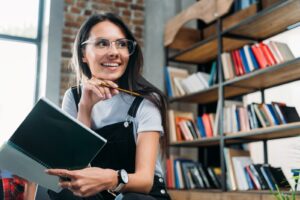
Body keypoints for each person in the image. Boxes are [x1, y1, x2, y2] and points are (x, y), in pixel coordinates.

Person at [46, 12, 171, 200]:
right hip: (96, 194)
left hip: (138, 194)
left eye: (121, 44)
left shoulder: (146, 101)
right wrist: (85, 107)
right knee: (64, 193)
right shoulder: (73, 97)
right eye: (102, 43)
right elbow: (73, 167)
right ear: (83, 54)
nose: (114, 52)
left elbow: (145, 181)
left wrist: (111, 178)